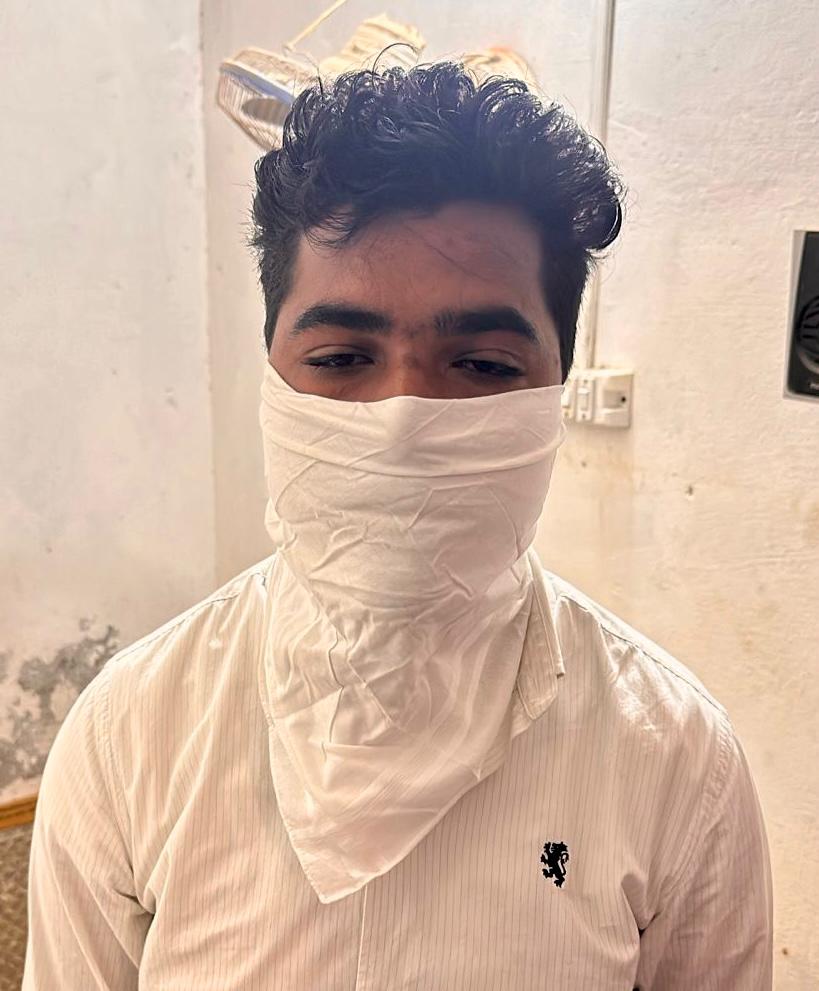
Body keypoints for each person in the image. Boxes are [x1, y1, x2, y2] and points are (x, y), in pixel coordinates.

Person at [23, 61, 773, 990]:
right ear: (271, 375)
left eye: (483, 365)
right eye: (342, 357)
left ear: (555, 389)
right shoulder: (127, 734)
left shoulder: (679, 761)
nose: (403, 422)